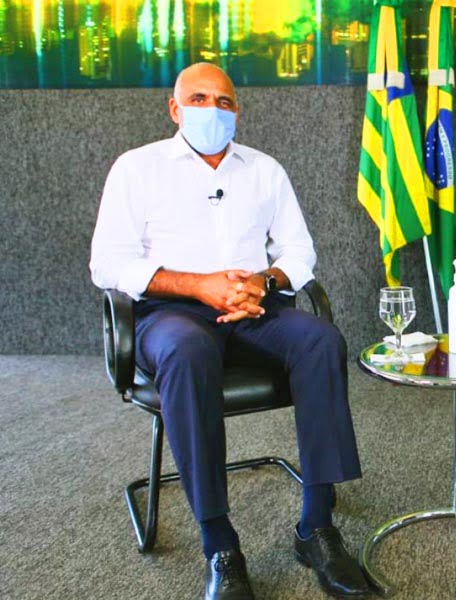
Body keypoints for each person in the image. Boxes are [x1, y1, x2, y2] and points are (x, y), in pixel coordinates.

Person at [90, 63, 370, 600]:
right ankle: (220, 544)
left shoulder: (265, 169)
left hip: (254, 306)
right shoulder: (137, 168)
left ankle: (316, 527)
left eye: (224, 101)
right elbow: (107, 263)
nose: (213, 110)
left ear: (237, 110)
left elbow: (299, 252)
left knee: (321, 340)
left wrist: (265, 281)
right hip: (171, 313)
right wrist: (199, 285)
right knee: (187, 351)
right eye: (199, 99)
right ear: (175, 109)